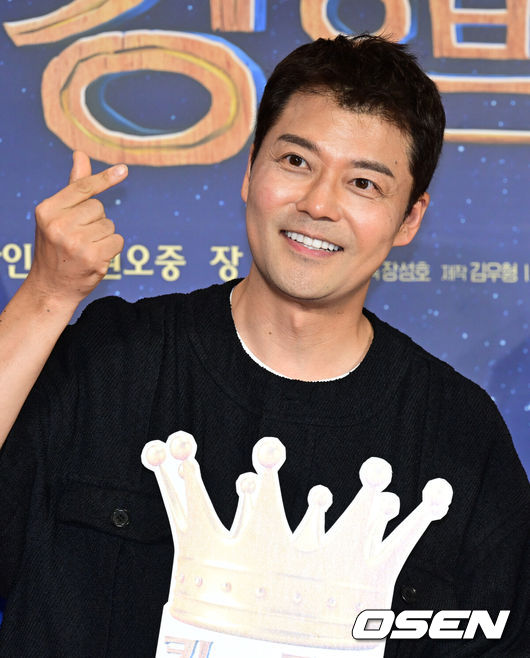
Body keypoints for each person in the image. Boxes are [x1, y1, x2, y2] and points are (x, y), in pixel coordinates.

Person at [0, 34, 528, 657]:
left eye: (363, 183)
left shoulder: (458, 433)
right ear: (251, 170)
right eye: (297, 161)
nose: (319, 204)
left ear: (410, 218)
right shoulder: (113, 360)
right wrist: (47, 295)